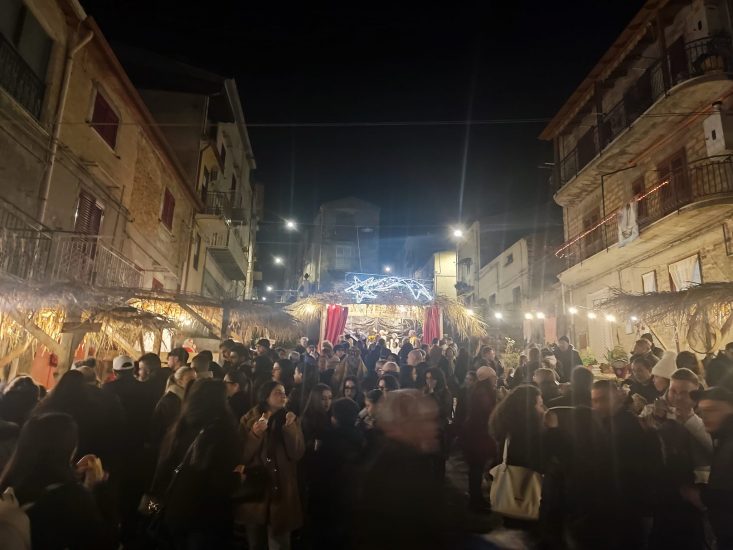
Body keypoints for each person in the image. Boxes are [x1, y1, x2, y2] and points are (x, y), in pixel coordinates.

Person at [0, 412, 117, 549]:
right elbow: (106, 541)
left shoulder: (9, 484)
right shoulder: (72, 499)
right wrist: (97, 488)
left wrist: (73, 473)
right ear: (70, 448)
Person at [150, 379, 240, 548]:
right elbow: (222, 481)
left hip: (175, 511)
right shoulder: (223, 432)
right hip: (207, 517)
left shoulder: (179, 427)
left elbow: (162, 469)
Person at [353, 390, 443, 550]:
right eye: (425, 420)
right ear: (403, 424)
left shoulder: (410, 457)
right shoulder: (399, 466)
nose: (435, 427)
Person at [591, 380, 658, 548]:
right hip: (618, 503)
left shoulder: (628, 426)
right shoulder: (606, 422)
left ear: (616, 398)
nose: (597, 405)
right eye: (594, 401)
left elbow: (636, 468)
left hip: (629, 505)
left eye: (603, 399)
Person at [238, 381, 305, 550]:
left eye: (284, 392)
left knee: (280, 541)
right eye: (277, 392)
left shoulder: (290, 418)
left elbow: (297, 453)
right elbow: (241, 456)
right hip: (256, 488)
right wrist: (255, 434)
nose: (283, 396)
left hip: (281, 488)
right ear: (265, 396)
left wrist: (290, 429)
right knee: (256, 541)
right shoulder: (249, 419)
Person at [308, 398, 365, 548]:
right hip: (352, 502)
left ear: (335, 418)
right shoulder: (362, 438)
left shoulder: (328, 441)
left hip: (329, 502)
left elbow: (318, 473)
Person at [683, 386, 733, 548]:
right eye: (702, 411)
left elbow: (724, 496)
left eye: (712, 410)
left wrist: (698, 495)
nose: (705, 417)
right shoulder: (722, 438)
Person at [460, 366, 497, 511]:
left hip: (472, 434)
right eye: (494, 377)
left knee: (475, 468)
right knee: (477, 468)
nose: (496, 379)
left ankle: (475, 498)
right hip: (478, 435)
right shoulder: (483, 392)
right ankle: (475, 500)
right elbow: (488, 412)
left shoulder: (474, 389)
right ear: (487, 378)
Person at [150, 366, 196, 449]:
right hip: (168, 444)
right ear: (179, 382)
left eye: (195, 379)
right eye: (190, 380)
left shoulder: (185, 397)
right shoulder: (171, 400)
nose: (194, 383)